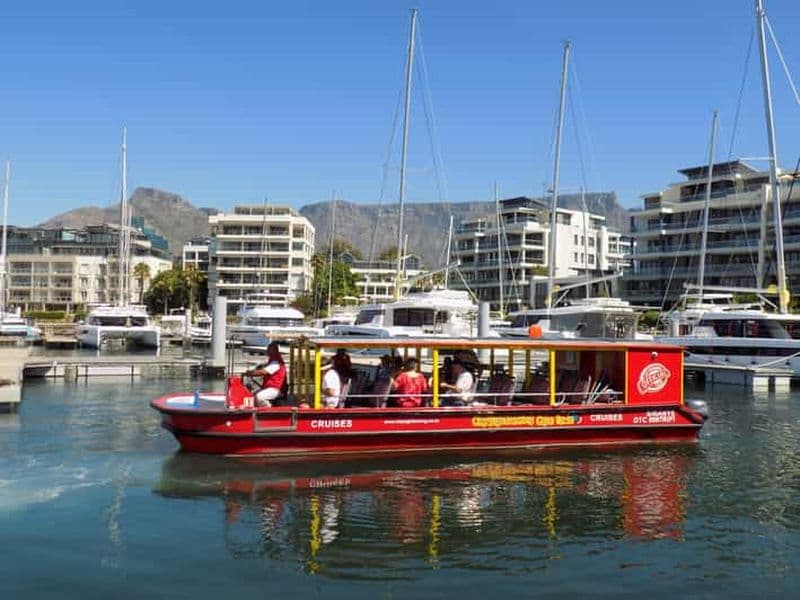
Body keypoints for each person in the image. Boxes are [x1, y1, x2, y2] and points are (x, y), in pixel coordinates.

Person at [245, 342, 286, 407]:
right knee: (251, 395)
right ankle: (254, 411)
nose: (267, 352)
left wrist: (251, 373)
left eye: (269, 350)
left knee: (259, 397)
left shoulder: (276, 363)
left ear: (275, 351)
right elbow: (263, 368)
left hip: (276, 389)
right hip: (269, 387)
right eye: (268, 350)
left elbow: (263, 372)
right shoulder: (271, 361)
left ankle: (268, 409)